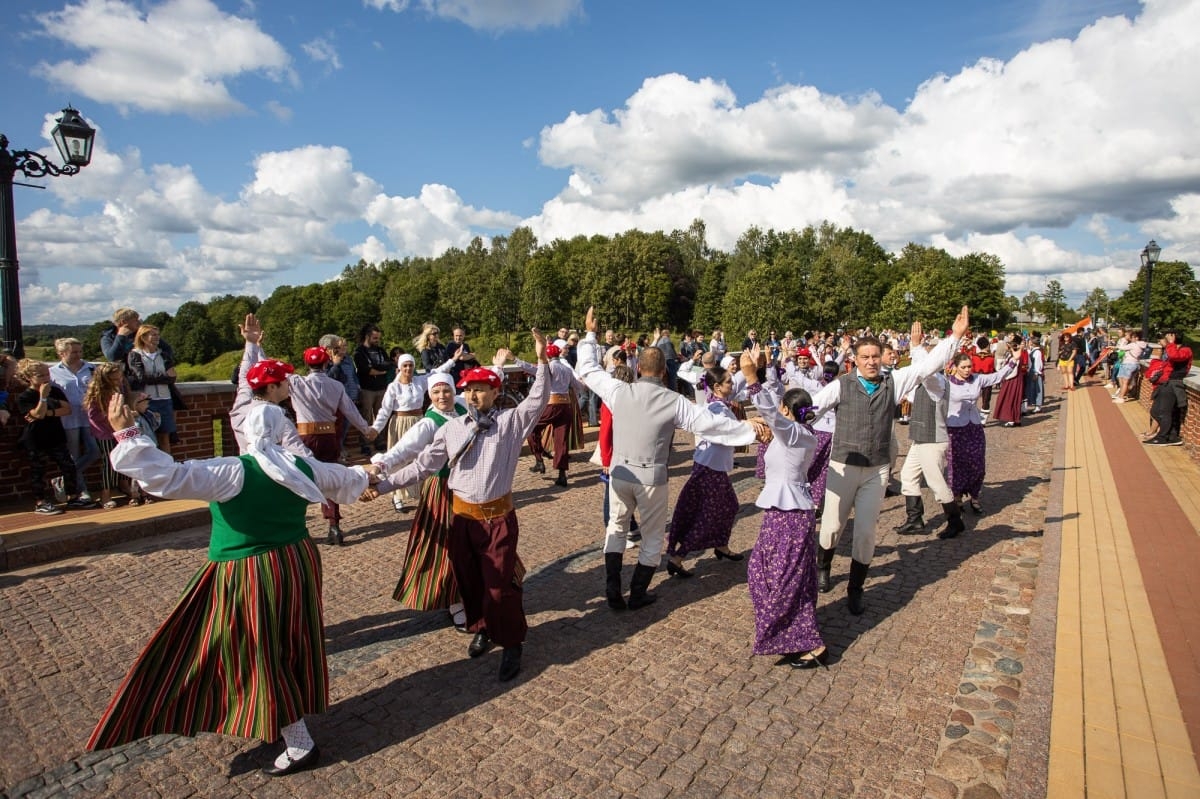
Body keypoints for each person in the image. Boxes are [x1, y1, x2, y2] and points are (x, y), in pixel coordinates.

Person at [87, 368, 375, 777]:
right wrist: (379, 470)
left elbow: (166, 477)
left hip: (250, 570)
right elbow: (353, 478)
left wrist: (128, 434)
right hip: (296, 562)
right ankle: (272, 716)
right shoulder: (301, 468)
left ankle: (299, 739)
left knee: (259, 649)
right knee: (281, 642)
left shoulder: (233, 471)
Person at [370, 331, 552, 682]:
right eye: (468, 389)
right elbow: (421, 466)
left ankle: (512, 642)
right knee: (468, 581)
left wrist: (541, 359)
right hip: (462, 519)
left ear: (495, 391)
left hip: (496, 517)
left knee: (499, 585)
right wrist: (381, 485)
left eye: (481, 388)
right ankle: (482, 626)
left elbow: (538, 398)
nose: (473, 394)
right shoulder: (452, 429)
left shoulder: (511, 423)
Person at [576, 307, 766, 612]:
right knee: (651, 538)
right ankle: (637, 592)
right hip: (651, 476)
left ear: (639, 369)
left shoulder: (618, 390)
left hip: (621, 473)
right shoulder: (673, 400)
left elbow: (587, 368)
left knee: (616, 528)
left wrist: (589, 333)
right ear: (664, 371)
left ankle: (613, 588)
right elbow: (710, 424)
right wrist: (748, 429)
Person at [810, 309, 969, 615]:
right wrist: (786, 420)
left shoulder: (893, 381)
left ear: (882, 357)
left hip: (876, 468)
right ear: (854, 359)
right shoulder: (840, 386)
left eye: (875, 356)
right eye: (865, 357)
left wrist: (956, 336)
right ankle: (823, 566)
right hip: (843, 466)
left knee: (867, 532)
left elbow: (928, 367)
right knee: (830, 527)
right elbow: (812, 409)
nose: (871, 361)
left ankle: (856, 588)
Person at [741, 351, 827, 669]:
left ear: (788, 411)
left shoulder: (800, 434)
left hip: (791, 516)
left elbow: (774, 415)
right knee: (765, 574)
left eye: (781, 408)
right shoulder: (790, 433)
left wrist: (752, 380)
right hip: (777, 513)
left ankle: (809, 643)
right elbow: (773, 418)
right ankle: (790, 633)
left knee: (785, 579)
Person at [370, 372, 470, 632]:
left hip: (470, 486)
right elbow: (404, 449)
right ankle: (454, 600)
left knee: (475, 540)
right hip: (444, 489)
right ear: (429, 395)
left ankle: (475, 588)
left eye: (445, 391)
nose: (442, 396)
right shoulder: (429, 423)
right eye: (436, 392)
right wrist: (382, 465)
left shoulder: (462, 405)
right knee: (447, 544)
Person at [665, 365, 746, 577]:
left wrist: (749, 369)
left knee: (729, 506)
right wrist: (752, 426)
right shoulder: (717, 409)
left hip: (712, 465)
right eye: (728, 382)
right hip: (710, 468)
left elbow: (739, 386)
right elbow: (732, 431)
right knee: (707, 515)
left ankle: (721, 545)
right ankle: (678, 557)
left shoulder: (718, 403)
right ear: (717, 387)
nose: (732, 384)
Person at [370, 353, 453, 510]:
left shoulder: (419, 381)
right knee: (400, 457)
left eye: (411, 365)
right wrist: (376, 428)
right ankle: (397, 497)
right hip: (401, 423)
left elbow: (436, 374)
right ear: (399, 368)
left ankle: (424, 492)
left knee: (424, 459)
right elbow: (385, 410)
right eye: (405, 365)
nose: (408, 368)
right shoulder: (393, 387)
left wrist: (452, 360)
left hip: (419, 419)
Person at [893, 336, 958, 538]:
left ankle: (955, 522)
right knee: (908, 477)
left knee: (936, 483)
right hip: (920, 439)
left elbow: (925, 370)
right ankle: (915, 519)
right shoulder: (924, 385)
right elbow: (913, 384)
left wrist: (917, 346)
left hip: (933, 440)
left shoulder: (937, 382)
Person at [14, 359, 95, 514]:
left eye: (47, 374)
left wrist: (48, 412)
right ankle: (40, 502)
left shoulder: (55, 390)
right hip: (35, 437)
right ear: (29, 377)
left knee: (68, 465)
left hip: (55, 434)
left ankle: (73, 497)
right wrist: (43, 398)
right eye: (41, 375)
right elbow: (36, 414)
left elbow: (66, 409)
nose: (46, 378)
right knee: (38, 470)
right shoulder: (25, 397)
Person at [945, 352, 1016, 517]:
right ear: (955, 367)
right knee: (956, 463)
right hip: (955, 428)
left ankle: (975, 496)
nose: (967, 370)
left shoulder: (977, 379)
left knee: (978, 463)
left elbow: (997, 377)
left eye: (969, 366)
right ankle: (957, 496)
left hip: (974, 426)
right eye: (963, 367)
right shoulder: (947, 384)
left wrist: (1013, 361)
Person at [513, 342, 586, 487]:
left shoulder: (549, 367)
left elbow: (533, 369)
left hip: (552, 404)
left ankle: (539, 458)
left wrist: (515, 359)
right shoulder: (566, 368)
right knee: (561, 441)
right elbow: (579, 386)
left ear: (547, 355)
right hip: (566, 405)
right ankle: (562, 474)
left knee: (531, 427)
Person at [49, 337, 99, 504]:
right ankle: (82, 490)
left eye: (79, 351)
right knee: (73, 455)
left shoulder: (91, 368)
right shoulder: (53, 372)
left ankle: (63, 479)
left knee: (94, 451)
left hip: (89, 417)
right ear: (61, 353)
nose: (78, 355)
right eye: (74, 352)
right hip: (67, 419)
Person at [84, 363, 132, 508]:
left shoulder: (120, 388)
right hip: (104, 432)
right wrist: (111, 416)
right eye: (114, 379)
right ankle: (105, 494)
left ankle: (124, 484)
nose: (119, 381)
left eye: (120, 378)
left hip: (119, 429)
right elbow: (93, 415)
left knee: (125, 457)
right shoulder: (97, 393)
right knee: (109, 462)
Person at [125, 325, 177, 454]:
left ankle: (167, 466)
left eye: (157, 334)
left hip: (165, 399)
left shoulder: (163, 354)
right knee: (148, 437)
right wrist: (163, 376)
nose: (157, 337)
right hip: (146, 401)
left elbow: (172, 377)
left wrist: (159, 377)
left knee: (164, 437)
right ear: (143, 337)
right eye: (153, 335)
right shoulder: (135, 355)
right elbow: (140, 377)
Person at [1145, 330, 1193, 446]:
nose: (1161, 341)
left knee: (1164, 411)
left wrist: (1171, 343)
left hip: (1173, 383)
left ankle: (1163, 437)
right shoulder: (1170, 349)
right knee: (1155, 410)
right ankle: (1172, 436)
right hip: (1165, 383)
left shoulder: (1185, 350)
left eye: (1164, 338)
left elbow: (1175, 356)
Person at [353, 324, 391, 452]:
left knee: (381, 415)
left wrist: (376, 368)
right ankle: (365, 443)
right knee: (366, 417)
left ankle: (380, 441)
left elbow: (388, 364)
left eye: (378, 338)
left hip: (381, 387)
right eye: (375, 338)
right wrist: (379, 369)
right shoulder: (359, 352)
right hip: (367, 389)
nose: (377, 340)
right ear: (367, 336)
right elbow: (366, 370)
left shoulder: (380, 350)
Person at [991, 334, 1027, 427]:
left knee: (1010, 399)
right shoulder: (1016, 354)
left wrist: (1005, 377)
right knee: (1014, 399)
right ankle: (1015, 418)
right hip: (1016, 380)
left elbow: (1013, 370)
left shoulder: (1015, 356)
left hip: (1012, 380)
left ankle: (1011, 418)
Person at [1113, 330, 1148, 403]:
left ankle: (1121, 397)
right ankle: (1123, 393)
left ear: (1136, 338)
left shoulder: (1133, 345)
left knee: (1125, 382)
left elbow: (1121, 348)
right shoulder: (1142, 345)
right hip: (1134, 364)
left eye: (1132, 337)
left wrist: (1124, 340)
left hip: (1128, 364)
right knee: (1123, 380)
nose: (1130, 339)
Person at [1024, 332, 1044, 414]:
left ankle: (1038, 406)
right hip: (1033, 371)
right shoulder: (1034, 351)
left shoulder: (1037, 352)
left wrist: (1036, 373)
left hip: (1035, 372)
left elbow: (1038, 363)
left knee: (1037, 389)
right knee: (1034, 388)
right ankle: (1036, 405)